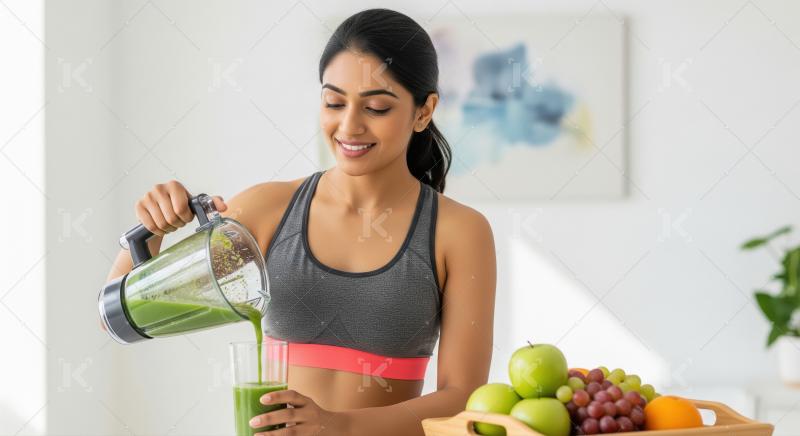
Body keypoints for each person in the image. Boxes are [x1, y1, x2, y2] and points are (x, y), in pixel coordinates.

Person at [104, 8, 496, 435]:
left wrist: (336, 426)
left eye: (377, 107)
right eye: (334, 102)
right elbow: (121, 320)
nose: (349, 126)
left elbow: (464, 400)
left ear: (423, 112)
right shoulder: (268, 209)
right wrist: (152, 232)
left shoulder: (458, 232)